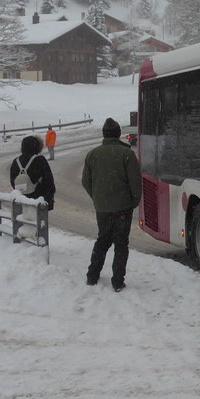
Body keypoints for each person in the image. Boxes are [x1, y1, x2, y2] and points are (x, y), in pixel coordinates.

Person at [83, 117, 142, 292]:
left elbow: (86, 181)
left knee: (102, 240)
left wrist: (97, 197)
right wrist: (133, 202)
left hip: (102, 208)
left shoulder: (92, 154)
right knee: (121, 244)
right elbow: (135, 183)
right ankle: (117, 281)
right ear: (118, 135)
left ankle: (92, 275)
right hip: (122, 207)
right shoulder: (127, 155)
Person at [9, 134, 56, 212]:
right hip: (38, 201)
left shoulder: (16, 161)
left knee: (23, 222)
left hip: (22, 201)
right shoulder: (39, 160)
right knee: (38, 223)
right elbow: (49, 181)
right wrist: (49, 199)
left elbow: (13, 181)